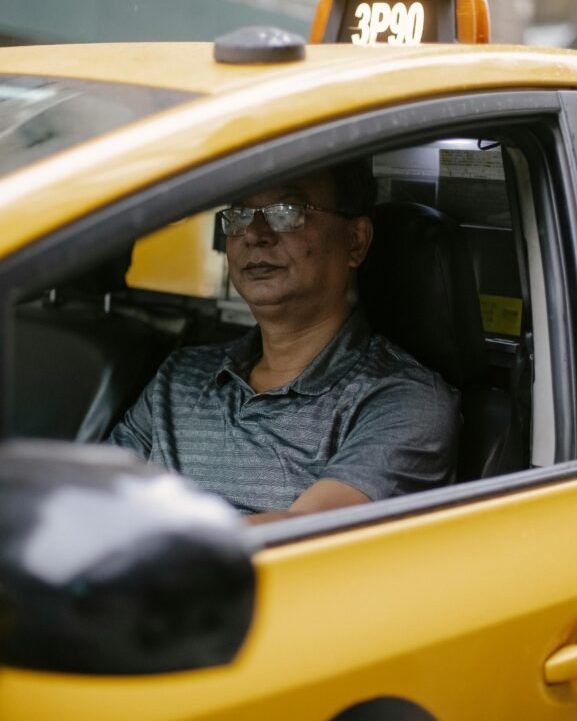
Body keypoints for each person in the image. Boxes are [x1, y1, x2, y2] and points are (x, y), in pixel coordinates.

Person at [109, 163, 459, 523]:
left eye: (287, 213)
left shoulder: (404, 401)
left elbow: (302, 538)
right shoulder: (179, 377)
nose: (254, 234)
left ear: (355, 241)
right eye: (240, 214)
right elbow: (95, 498)